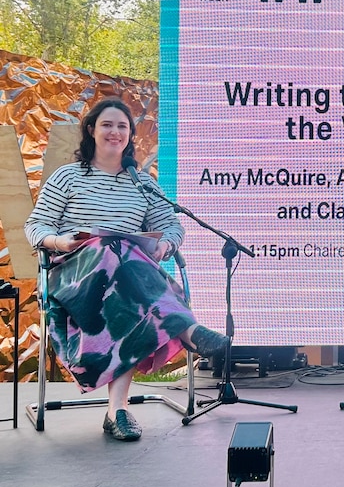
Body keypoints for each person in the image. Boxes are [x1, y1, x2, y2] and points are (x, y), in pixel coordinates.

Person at [24, 97, 229, 442]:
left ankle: (117, 410)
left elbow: (172, 226)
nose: (115, 132)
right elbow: (36, 225)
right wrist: (62, 242)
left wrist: (167, 244)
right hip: (76, 275)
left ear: (130, 134)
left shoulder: (141, 184)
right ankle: (189, 331)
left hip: (126, 282)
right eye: (107, 124)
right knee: (109, 249)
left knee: (125, 280)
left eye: (122, 126)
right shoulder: (67, 177)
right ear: (92, 130)